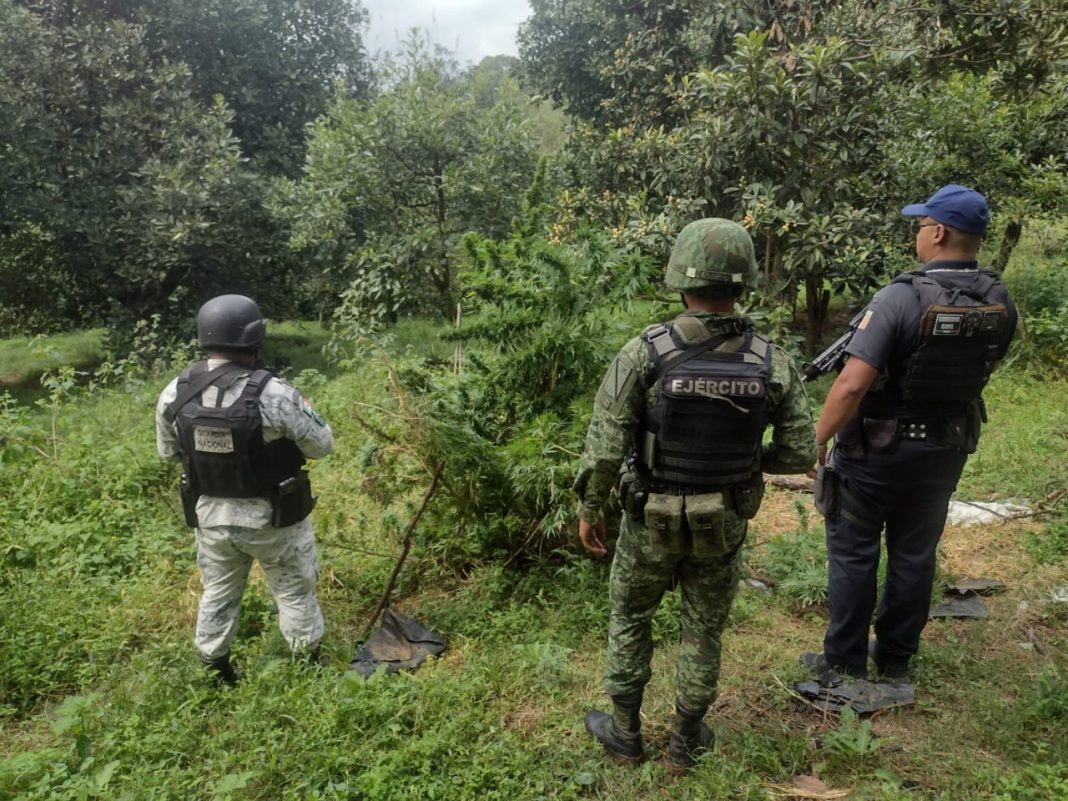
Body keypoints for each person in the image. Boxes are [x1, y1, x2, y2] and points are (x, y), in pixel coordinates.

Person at [574, 219, 816, 772]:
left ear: (679, 278)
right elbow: (800, 452)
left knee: (631, 618)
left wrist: (590, 509)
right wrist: (746, 466)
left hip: (646, 517)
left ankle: (625, 731)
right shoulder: (770, 359)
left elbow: (606, 448)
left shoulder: (643, 353)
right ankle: (685, 741)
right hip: (723, 519)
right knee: (703, 628)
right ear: (744, 283)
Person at [801, 184, 1017, 684]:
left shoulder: (899, 297)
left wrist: (816, 437)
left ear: (938, 232)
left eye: (920, 226)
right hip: (945, 447)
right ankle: (896, 657)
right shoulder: (998, 297)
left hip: (874, 452)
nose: (917, 235)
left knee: (855, 551)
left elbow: (852, 383)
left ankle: (845, 661)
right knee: (915, 552)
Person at [156, 294, 333, 686]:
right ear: (254, 341)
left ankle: (216, 671)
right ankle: (306, 668)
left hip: (211, 520)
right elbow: (322, 445)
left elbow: (168, 453)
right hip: (273, 520)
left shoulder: (175, 392)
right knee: (293, 592)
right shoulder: (274, 395)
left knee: (217, 593)